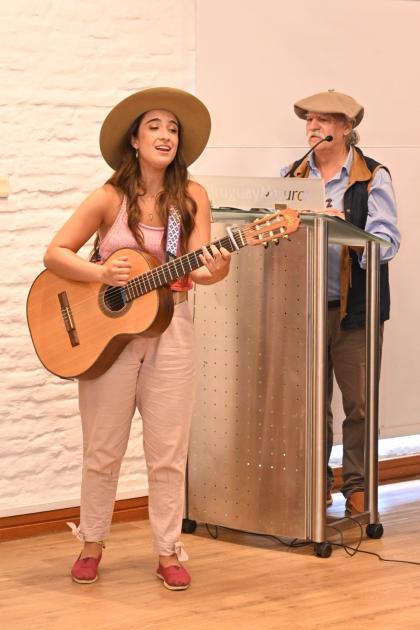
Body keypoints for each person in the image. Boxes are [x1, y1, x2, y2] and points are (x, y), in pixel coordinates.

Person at [43, 87, 231, 590]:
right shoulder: (108, 198)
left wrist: (218, 266)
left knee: (168, 451)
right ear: (134, 139)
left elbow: (203, 266)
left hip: (173, 330)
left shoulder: (193, 196)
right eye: (155, 127)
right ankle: (91, 541)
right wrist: (100, 275)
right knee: (102, 448)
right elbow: (55, 254)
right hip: (108, 341)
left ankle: (167, 550)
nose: (166, 135)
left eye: (173, 129)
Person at [280, 90, 400, 515]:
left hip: (357, 311)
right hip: (306, 307)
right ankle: (315, 482)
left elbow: (386, 244)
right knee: (309, 403)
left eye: (326, 119)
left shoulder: (374, 177)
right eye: (310, 118)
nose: (314, 125)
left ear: (347, 127)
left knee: (359, 403)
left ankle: (358, 486)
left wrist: (345, 226)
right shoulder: (290, 176)